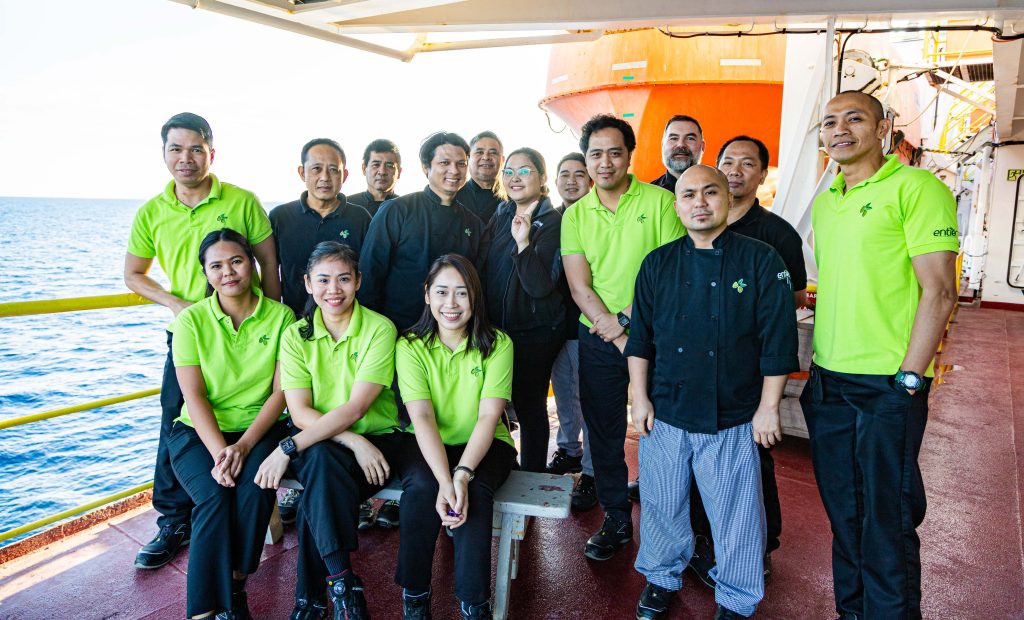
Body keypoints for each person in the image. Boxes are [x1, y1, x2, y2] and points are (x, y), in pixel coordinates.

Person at [802, 91, 958, 619]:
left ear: (883, 126)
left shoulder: (917, 188)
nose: (839, 129)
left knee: (886, 519)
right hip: (827, 382)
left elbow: (939, 291)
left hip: (886, 386)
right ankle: (853, 612)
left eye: (854, 118)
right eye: (829, 122)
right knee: (844, 513)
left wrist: (909, 379)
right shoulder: (828, 201)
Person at [627, 165, 798, 620]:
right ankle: (662, 576)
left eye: (709, 192)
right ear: (677, 204)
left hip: (733, 414)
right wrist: (639, 397)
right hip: (666, 411)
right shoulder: (658, 263)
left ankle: (737, 598)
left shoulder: (761, 260)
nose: (699, 202)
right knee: (662, 504)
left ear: (728, 197)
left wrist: (768, 408)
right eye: (688, 195)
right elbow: (640, 339)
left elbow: (778, 339)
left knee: (736, 516)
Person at [124, 112, 281, 570]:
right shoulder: (152, 211)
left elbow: (268, 264)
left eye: (195, 148)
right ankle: (174, 520)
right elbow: (134, 274)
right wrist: (175, 304)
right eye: (176, 149)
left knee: (259, 410)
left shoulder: (241, 200)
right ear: (164, 154)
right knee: (176, 422)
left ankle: (239, 502)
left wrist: (272, 322)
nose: (186, 158)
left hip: (249, 328)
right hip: (191, 332)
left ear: (212, 152)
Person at [684, 135, 810, 588]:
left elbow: (791, 300)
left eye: (747, 164)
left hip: (750, 373)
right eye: (727, 162)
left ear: (762, 174)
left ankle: (760, 545)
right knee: (697, 460)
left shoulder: (776, 235)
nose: (735, 170)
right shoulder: (693, 223)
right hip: (697, 371)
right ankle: (703, 540)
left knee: (755, 462)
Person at [254, 241, 404, 620]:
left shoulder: (379, 329)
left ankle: (312, 599)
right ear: (306, 283)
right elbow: (300, 409)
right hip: (331, 442)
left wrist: (287, 447)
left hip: (378, 443)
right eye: (323, 280)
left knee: (317, 476)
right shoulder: (295, 335)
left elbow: (356, 408)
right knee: (320, 461)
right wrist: (350, 441)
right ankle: (341, 583)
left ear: (358, 282)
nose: (333, 290)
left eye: (343, 279)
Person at [561, 114, 686, 561]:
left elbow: (671, 273)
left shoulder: (660, 201)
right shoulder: (575, 214)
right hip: (599, 338)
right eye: (596, 153)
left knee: (663, 431)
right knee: (605, 432)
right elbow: (580, 286)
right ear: (586, 158)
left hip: (656, 335)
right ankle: (616, 517)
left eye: (615, 152)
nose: (605, 162)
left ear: (630, 155)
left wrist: (626, 323)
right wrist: (614, 332)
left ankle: (667, 525)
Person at [357, 131, 485, 529]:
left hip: (451, 336)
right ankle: (381, 493)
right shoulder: (397, 211)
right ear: (426, 166)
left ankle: (433, 488)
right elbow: (371, 271)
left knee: (437, 411)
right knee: (394, 413)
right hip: (397, 333)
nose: (454, 170)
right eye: (444, 162)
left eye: (460, 163)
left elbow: (476, 284)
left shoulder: (472, 222)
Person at [168, 228, 295, 619]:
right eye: (216, 265)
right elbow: (194, 396)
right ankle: (204, 612)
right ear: (206, 273)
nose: (228, 272)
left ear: (252, 265)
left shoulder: (281, 317)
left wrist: (243, 445)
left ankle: (236, 586)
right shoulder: (190, 321)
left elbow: (280, 393)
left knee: (257, 486)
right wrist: (222, 452)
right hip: (198, 432)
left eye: (237, 261)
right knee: (213, 495)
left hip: (258, 427)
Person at [394, 254, 517, 620]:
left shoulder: (498, 344)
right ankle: (415, 597)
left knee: (474, 493)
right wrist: (444, 479)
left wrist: (461, 475)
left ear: (475, 298)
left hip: (485, 443)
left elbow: (487, 416)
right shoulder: (410, 345)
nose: (451, 304)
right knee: (420, 489)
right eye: (442, 292)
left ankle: (474, 604)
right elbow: (422, 415)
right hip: (427, 441)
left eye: (462, 294)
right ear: (427, 295)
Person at [481, 148, 565, 472]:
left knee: (530, 406)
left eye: (525, 171)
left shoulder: (552, 222)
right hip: (498, 328)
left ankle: (531, 476)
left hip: (535, 332)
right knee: (495, 403)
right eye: (510, 171)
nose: (515, 178)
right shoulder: (501, 214)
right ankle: (502, 468)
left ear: (542, 178)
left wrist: (523, 242)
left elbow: (540, 286)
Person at [546, 153, 597, 512]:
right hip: (555, 325)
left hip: (591, 324)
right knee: (564, 392)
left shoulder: (595, 217)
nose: (571, 180)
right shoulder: (549, 219)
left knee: (592, 400)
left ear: (591, 180)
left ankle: (593, 472)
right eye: (564, 174)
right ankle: (569, 450)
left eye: (580, 174)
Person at [270, 138, 372, 317]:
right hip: (293, 320)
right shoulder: (281, 217)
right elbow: (270, 268)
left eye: (334, 170)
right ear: (302, 173)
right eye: (316, 169)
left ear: (344, 176)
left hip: (346, 321)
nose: (325, 177)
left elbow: (369, 272)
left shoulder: (361, 218)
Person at [455, 131, 504, 223]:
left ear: (502, 160)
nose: (486, 157)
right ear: (467, 159)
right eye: (480, 152)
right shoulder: (453, 197)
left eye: (493, 153)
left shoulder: (513, 198)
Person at [347, 139, 402, 217]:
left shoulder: (406, 208)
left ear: (399, 172)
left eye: (389, 166)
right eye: (376, 165)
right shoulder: (346, 206)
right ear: (364, 168)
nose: (382, 172)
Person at [650, 115, 705, 192]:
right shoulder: (648, 195)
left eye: (690, 138)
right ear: (662, 145)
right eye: (674, 138)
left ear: (702, 146)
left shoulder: (718, 189)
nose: (681, 144)